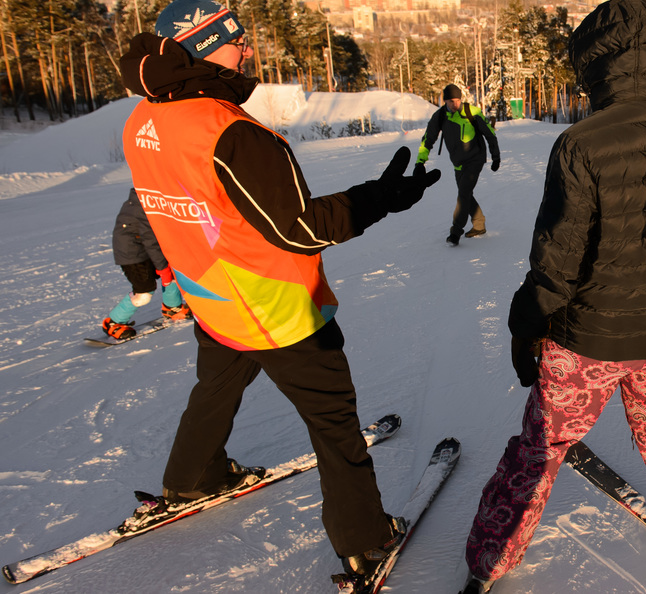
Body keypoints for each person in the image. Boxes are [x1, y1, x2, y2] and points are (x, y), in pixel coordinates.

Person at [118, 0, 440, 586]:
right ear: (197, 47)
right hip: (276, 306)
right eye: (232, 39)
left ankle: (194, 476)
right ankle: (365, 540)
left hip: (212, 296)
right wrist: (382, 197)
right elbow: (303, 229)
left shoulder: (140, 121)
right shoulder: (230, 130)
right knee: (334, 421)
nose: (245, 50)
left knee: (215, 387)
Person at [461, 0, 646, 591]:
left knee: (541, 447)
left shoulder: (582, 143)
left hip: (583, 344)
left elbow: (555, 267)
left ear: (595, 64)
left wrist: (524, 323)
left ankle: (491, 559)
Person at [416, 84, 500, 246]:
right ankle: (479, 223)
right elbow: (428, 139)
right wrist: (420, 162)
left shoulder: (472, 112)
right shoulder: (440, 116)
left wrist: (495, 157)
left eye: (456, 101)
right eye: (450, 101)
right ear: (445, 101)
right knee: (465, 193)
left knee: (463, 194)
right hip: (458, 162)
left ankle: (455, 232)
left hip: (475, 159)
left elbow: (490, 134)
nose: (454, 104)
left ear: (460, 99)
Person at [102, 188, 191, 340]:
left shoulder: (154, 191)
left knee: (174, 267)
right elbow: (151, 240)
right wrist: (162, 269)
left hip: (144, 243)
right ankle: (112, 323)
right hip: (132, 251)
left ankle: (172, 308)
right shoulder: (146, 200)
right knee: (144, 292)